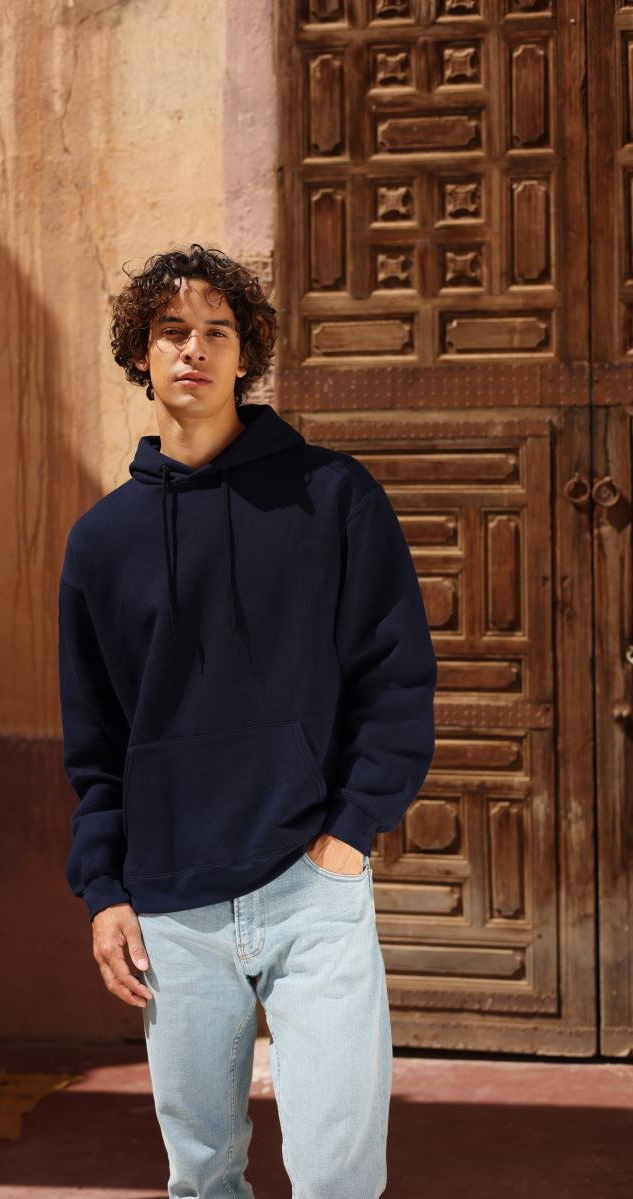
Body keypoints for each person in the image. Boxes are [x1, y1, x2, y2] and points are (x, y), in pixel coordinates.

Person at [58, 243, 437, 1199]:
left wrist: (349, 832)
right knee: (203, 1176)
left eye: (216, 332)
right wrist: (104, 890)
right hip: (171, 903)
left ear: (246, 355)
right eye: (171, 331)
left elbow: (396, 677)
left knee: (339, 1177)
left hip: (312, 886)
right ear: (140, 354)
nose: (193, 349)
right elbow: (96, 745)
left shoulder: (331, 497)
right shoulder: (101, 544)